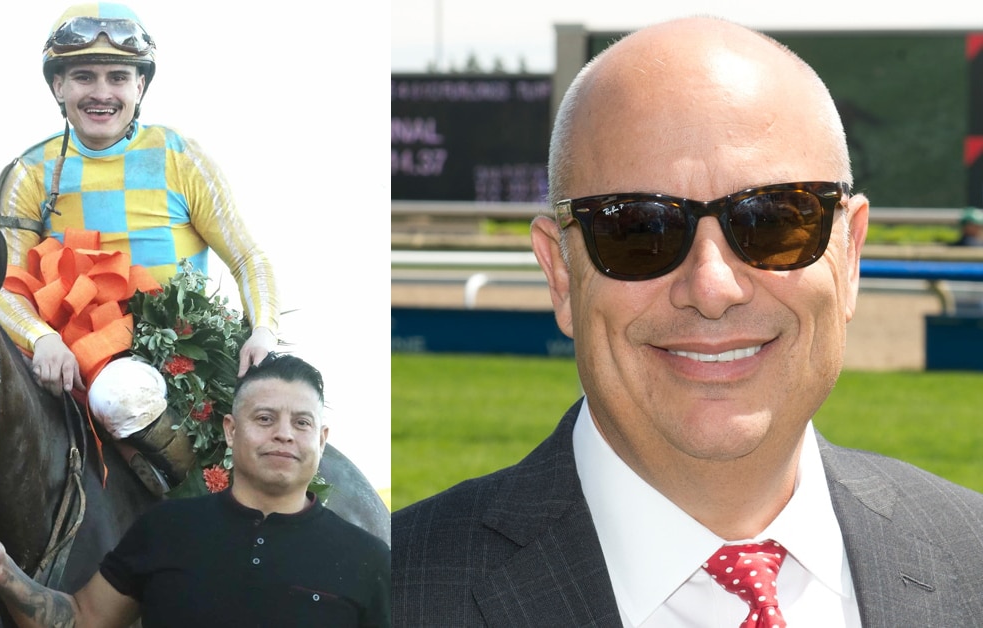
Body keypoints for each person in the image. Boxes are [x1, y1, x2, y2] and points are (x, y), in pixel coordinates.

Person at [392, 16, 983, 627]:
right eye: (638, 229)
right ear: (561, 273)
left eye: (775, 219)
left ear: (850, 255)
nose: (712, 288)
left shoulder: (974, 560)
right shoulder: (384, 593)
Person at [0, 2, 279, 491]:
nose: (101, 93)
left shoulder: (180, 156)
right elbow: (1, 285)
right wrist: (41, 338)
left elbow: (249, 257)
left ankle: (210, 498)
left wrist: (265, 331)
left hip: (175, 359)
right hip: (68, 360)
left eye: (117, 77)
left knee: (123, 395)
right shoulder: (29, 173)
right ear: (58, 86)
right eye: (84, 76)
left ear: (139, 86)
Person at [0, 353, 391, 627]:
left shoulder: (367, 558)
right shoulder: (166, 530)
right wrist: (7, 576)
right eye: (264, 419)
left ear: (322, 438)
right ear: (231, 429)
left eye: (302, 423)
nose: (284, 435)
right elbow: (81, 619)